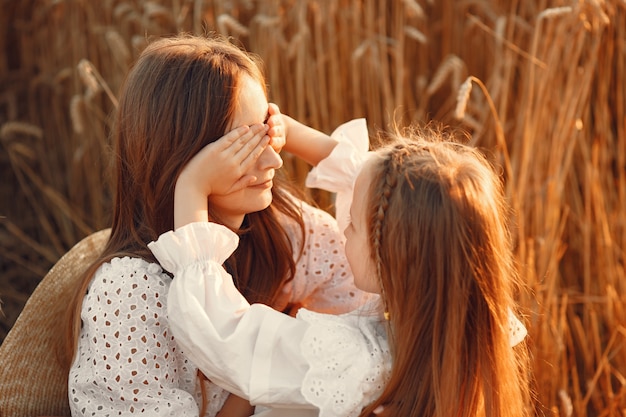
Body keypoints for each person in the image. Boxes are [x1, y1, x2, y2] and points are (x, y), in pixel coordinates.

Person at [65, 34, 372, 417]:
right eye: (241, 145)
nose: (274, 161)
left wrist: (297, 135)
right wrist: (256, 380)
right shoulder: (131, 293)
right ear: (182, 152)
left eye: (267, 132)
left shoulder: (278, 230)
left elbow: (382, 282)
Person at [149, 121, 533, 417]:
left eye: (350, 226)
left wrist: (192, 188)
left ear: (391, 258)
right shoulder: (474, 322)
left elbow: (225, 337)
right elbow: (402, 197)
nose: (340, 230)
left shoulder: (355, 357)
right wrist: (288, 131)